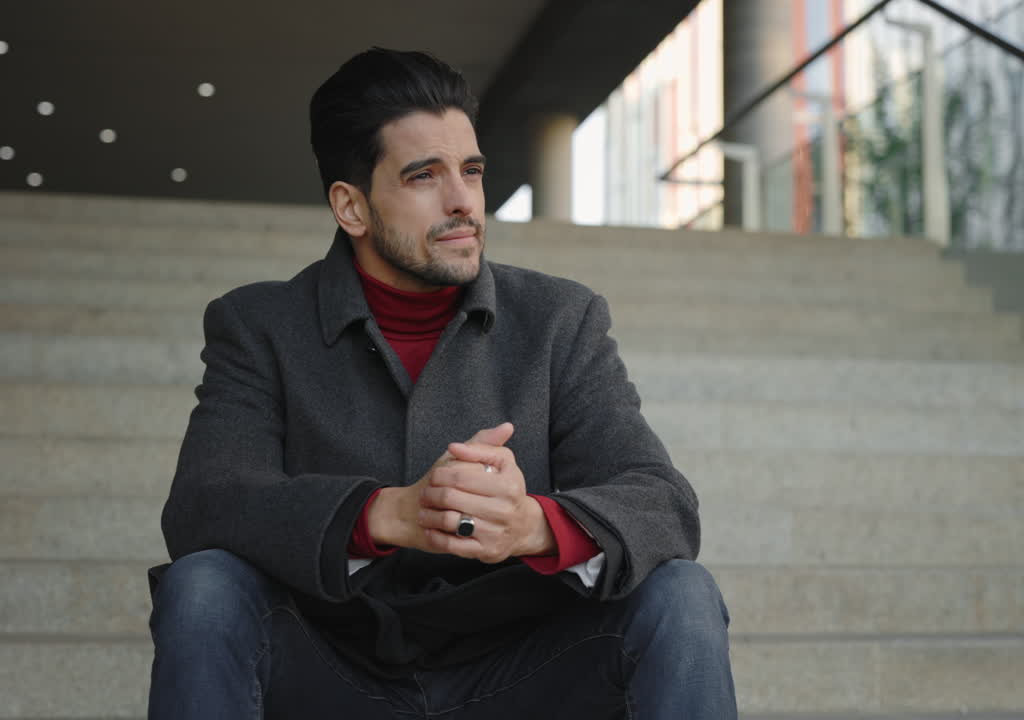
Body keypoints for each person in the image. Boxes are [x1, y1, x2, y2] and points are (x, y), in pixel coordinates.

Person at [146, 47, 737, 719]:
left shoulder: (559, 318)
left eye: (471, 171)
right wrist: (384, 515)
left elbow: (662, 503)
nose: (462, 201)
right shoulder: (259, 325)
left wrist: (533, 526)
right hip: (331, 672)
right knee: (203, 587)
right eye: (424, 176)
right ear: (351, 207)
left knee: (681, 593)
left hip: (526, 671)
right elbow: (205, 504)